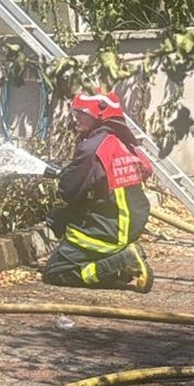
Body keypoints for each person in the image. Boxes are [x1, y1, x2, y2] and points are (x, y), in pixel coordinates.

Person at [42, 90, 155, 292]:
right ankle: (117, 262)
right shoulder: (119, 140)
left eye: (81, 114)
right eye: (75, 113)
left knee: (56, 270)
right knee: (59, 217)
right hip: (130, 218)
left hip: (113, 227)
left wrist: (66, 175)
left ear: (99, 115)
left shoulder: (92, 147)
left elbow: (68, 192)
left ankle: (123, 260)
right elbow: (146, 168)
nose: (75, 118)